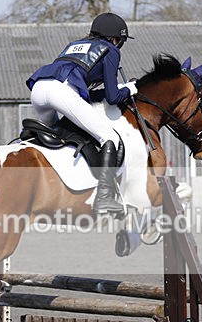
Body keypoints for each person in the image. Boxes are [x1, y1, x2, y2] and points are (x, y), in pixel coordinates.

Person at [26, 12, 137, 215]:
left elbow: (86, 94)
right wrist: (129, 90)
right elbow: (113, 97)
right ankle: (104, 198)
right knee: (110, 138)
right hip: (61, 93)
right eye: (119, 40)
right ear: (114, 38)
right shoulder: (110, 50)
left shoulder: (75, 45)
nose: (119, 44)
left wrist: (117, 90)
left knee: (53, 135)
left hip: (39, 90)